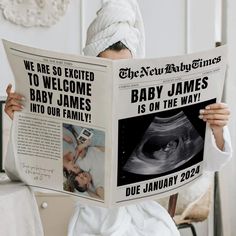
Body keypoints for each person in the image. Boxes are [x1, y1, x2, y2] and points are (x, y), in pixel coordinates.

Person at [4, 0, 232, 235]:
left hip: (147, 220)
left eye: (124, 71)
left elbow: (214, 163)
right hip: (91, 222)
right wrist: (19, 121)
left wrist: (216, 128)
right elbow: (19, 173)